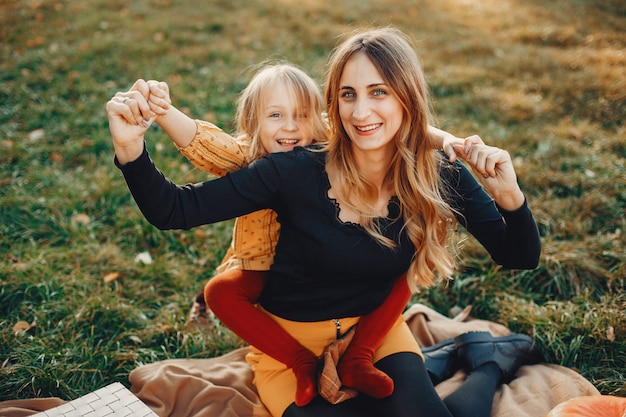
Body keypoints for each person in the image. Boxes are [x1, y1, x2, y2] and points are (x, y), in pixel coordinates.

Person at [108, 27, 542, 417]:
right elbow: (175, 211)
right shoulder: (293, 170)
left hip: (375, 335)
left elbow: (518, 255)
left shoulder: (437, 171)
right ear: (334, 102)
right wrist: (131, 151)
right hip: (289, 347)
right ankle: (461, 357)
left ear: (406, 96)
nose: (361, 111)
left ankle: (484, 360)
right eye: (349, 94)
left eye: (379, 92)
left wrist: (510, 198)